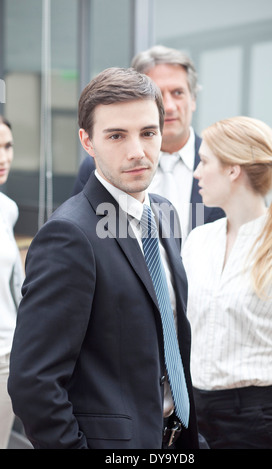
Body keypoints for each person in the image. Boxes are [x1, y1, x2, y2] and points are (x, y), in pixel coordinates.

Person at [8, 67, 199, 449]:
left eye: (148, 133)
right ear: (87, 141)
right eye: (116, 135)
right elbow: (34, 382)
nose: (137, 151)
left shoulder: (163, 212)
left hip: (174, 437)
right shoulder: (69, 235)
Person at [182, 115, 272, 449]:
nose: (197, 172)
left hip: (260, 422)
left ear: (233, 170)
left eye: (204, 162)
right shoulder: (199, 241)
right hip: (195, 416)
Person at [72, 45, 224, 243]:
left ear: (193, 99)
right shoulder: (96, 167)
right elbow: (82, 234)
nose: (168, 107)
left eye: (178, 93)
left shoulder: (224, 163)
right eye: (159, 96)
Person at [0, 116, 23, 449]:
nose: (3, 157)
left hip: (4, 358)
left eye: (7, 147)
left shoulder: (7, 209)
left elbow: (19, 287)